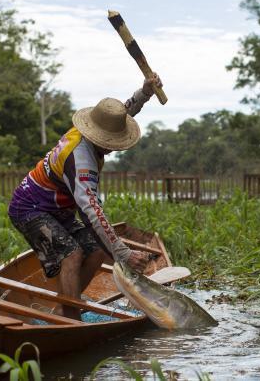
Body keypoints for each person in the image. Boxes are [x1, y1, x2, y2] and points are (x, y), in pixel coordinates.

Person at [8, 73, 163, 320]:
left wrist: (144, 93)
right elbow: (91, 211)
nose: (113, 147)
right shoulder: (81, 159)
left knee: (97, 249)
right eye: (111, 143)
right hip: (30, 207)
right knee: (71, 253)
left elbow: (121, 113)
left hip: (57, 209)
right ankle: (70, 316)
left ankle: (65, 306)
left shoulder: (95, 128)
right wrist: (123, 253)